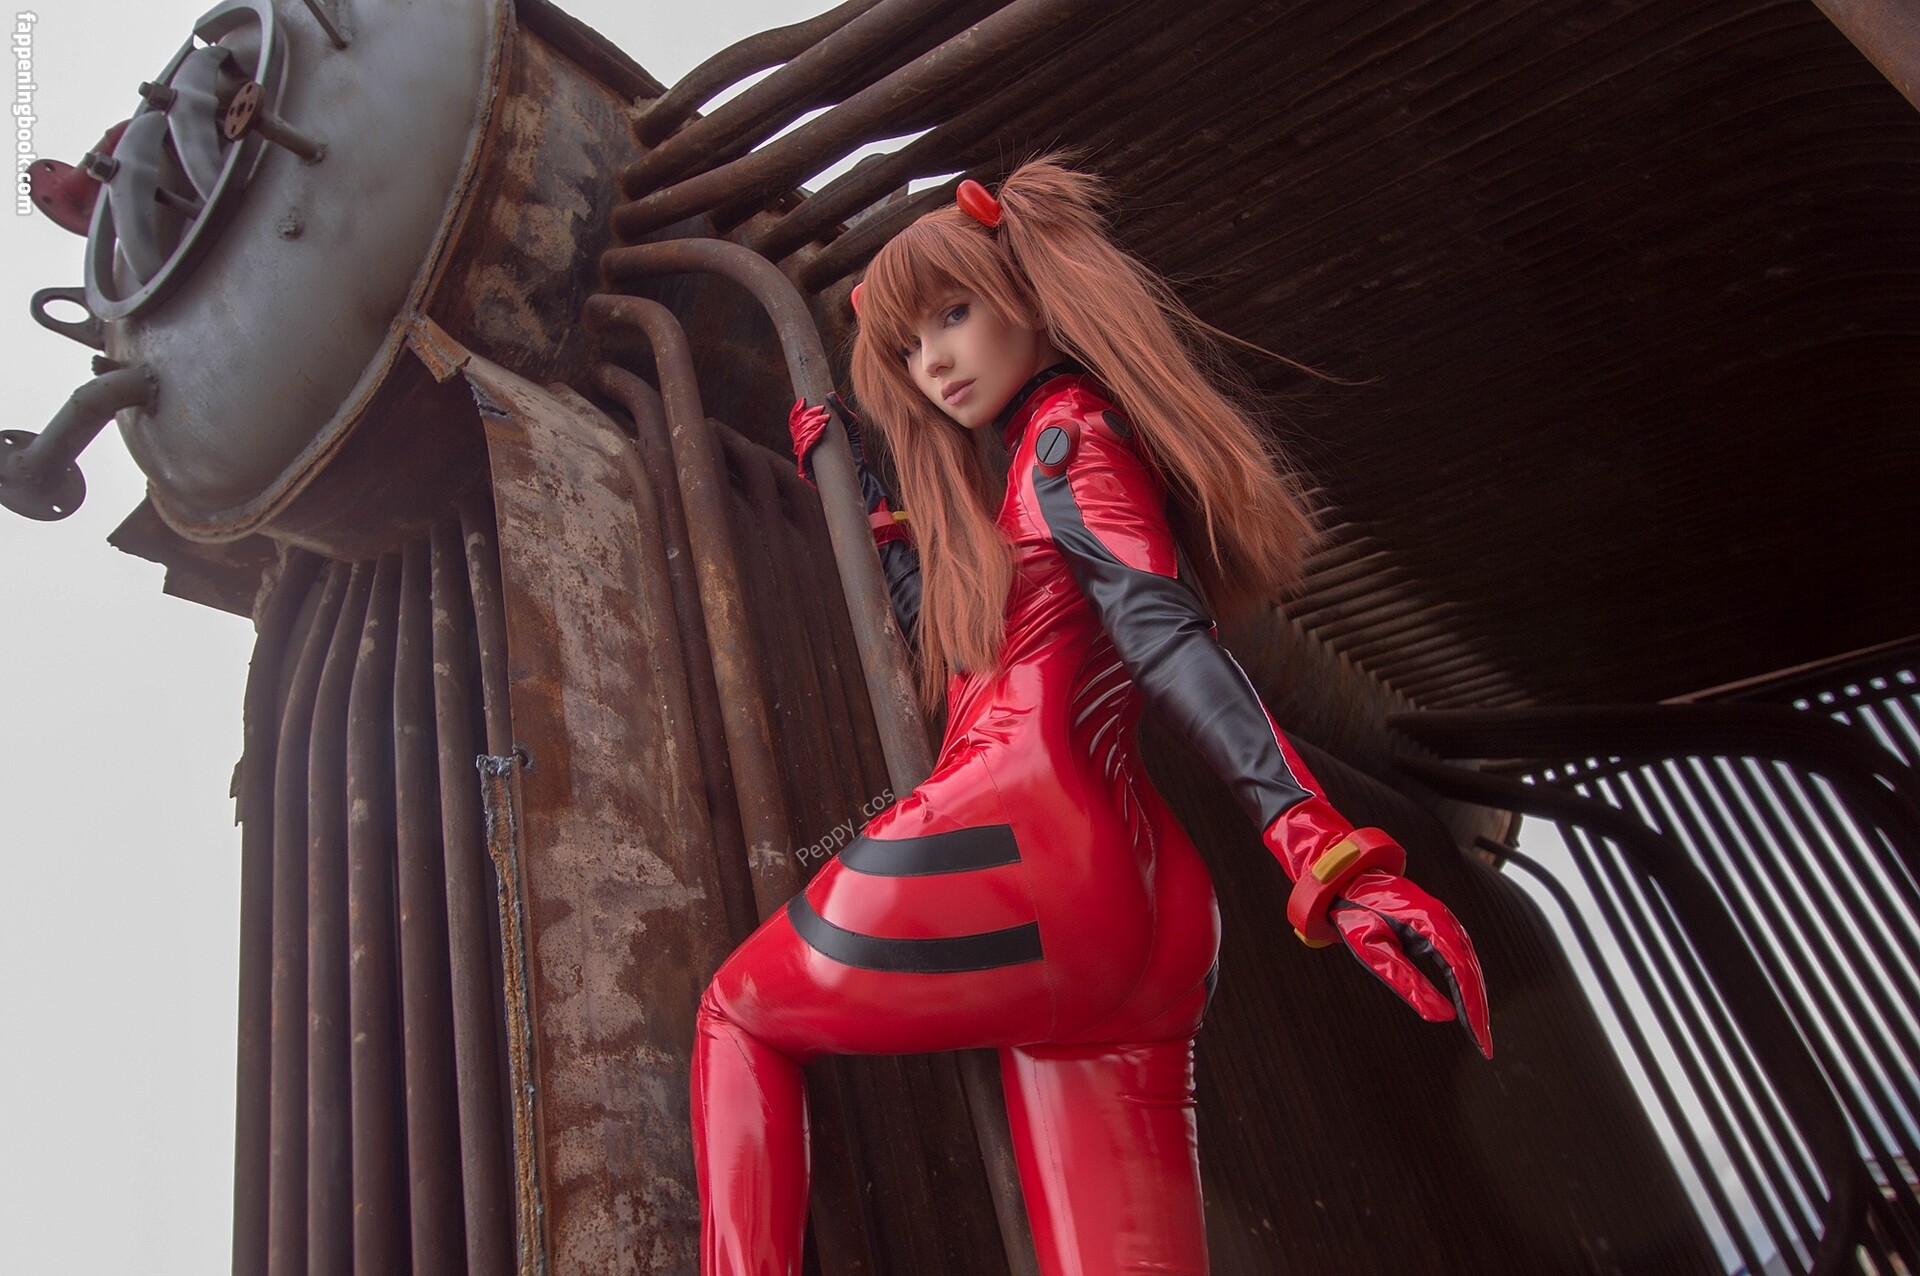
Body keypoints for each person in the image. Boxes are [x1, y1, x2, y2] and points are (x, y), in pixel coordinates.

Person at [689, 157, 1492, 1276]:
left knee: (735, 1016)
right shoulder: (1036, 468)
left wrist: (1328, 853)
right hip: (1143, 918)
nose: (935, 362)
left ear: (1023, 293)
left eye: (953, 314)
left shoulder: (1072, 443)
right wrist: (865, 500)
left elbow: (1166, 638)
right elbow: (980, 649)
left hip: (1022, 842)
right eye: (909, 347)